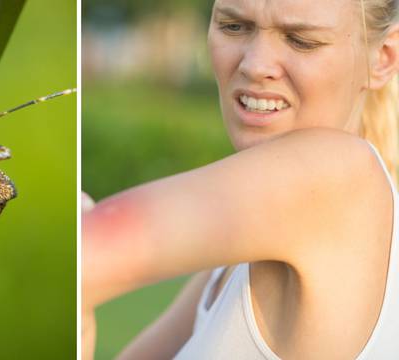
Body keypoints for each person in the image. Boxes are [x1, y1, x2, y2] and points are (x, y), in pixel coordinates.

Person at [82, 0, 399, 358]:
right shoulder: (240, 255)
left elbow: (82, 255)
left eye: (301, 40)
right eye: (234, 26)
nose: (254, 64)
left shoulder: (335, 172)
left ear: (383, 57)